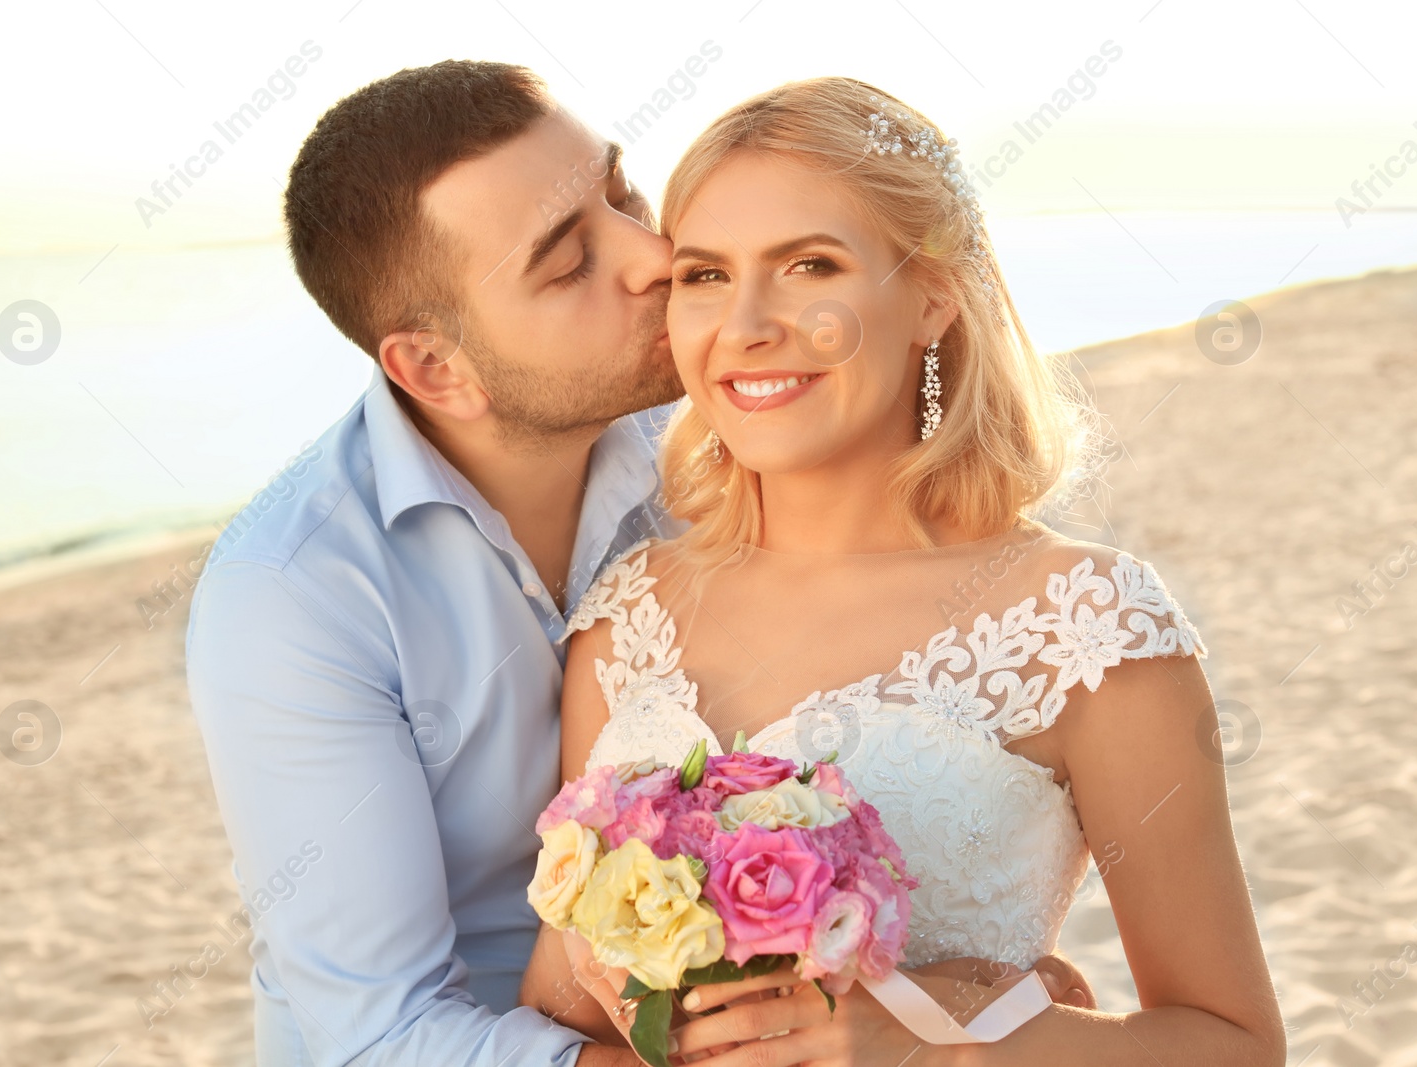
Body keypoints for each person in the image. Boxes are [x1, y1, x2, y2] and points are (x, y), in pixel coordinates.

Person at [188, 61, 1090, 1067]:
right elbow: (379, 1035)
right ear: (437, 368)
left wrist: (993, 1006)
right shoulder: (294, 591)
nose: (654, 257)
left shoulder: (718, 440)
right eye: (569, 262)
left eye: (620, 192)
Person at [522, 78, 1285, 1066]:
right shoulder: (625, 615)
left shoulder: (1085, 623)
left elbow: (1233, 1043)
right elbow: (560, 1004)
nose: (746, 324)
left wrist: (938, 1037)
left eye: (809, 265)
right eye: (705, 275)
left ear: (931, 294)